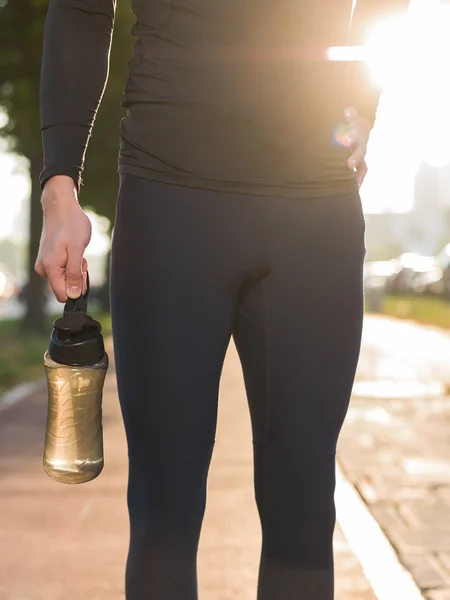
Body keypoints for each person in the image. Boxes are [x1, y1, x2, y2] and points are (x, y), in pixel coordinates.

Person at [36, 0, 409, 598]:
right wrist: (60, 190)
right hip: (170, 204)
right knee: (164, 508)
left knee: (303, 509)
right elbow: (81, 8)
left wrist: (362, 103)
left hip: (313, 215)